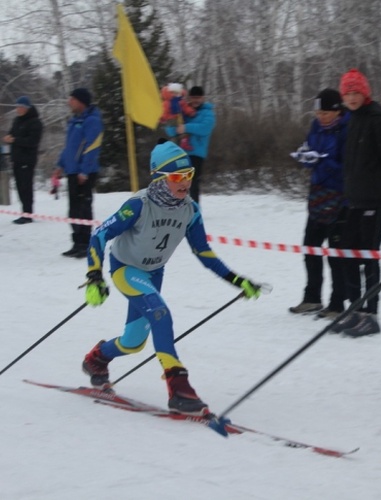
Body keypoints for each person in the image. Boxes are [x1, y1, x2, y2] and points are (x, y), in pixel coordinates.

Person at [80, 140, 263, 416]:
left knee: (133, 342)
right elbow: (100, 234)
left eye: (188, 174)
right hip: (126, 269)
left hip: (154, 273)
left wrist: (237, 280)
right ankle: (179, 389)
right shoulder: (138, 205)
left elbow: (203, 252)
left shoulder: (191, 210)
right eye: (177, 177)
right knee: (161, 314)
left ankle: (97, 359)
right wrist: (94, 275)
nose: (185, 182)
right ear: (159, 178)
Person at [332, 68, 381, 337]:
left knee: (368, 256)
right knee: (348, 255)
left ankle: (371, 315)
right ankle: (355, 309)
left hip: (374, 200)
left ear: (365, 93)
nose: (352, 97)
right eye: (347, 93)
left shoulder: (377, 119)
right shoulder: (352, 119)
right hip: (354, 199)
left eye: (356, 92)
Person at [288, 88, 350, 319]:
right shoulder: (316, 126)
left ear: (337, 111)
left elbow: (349, 166)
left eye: (325, 113)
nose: (320, 117)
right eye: (317, 113)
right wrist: (306, 157)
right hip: (318, 195)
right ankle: (312, 298)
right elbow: (310, 148)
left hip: (341, 197)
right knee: (310, 248)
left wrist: (324, 161)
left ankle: (337, 303)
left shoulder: (347, 128)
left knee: (336, 254)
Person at [56, 87, 103, 258]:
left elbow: (92, 147)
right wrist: (60, 164)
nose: (69, 102)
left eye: (72, 99)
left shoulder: (92, 121)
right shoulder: (74, 121)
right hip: (71, 171)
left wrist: (85, 171)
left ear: (81, 101)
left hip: (84, 173)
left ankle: (86, 243)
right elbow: (69, 147)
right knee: (74, 210)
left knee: (84, 208)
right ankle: (77, 242)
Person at [165, 85, 215, 203]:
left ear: (202, 98)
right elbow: (170, 130)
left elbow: (205, 128)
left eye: (198, 98)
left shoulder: (208, 113)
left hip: (196, 153)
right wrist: (173, 126)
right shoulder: (183, 111)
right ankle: (179, 207)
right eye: (193, 97)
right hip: (180, 153)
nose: (195, 100)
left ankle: (194, 208)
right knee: (177, 183)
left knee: (192, 183)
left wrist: (186, 127)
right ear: (189, 98)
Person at [3, 96, 43, 224]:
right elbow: (12, 134)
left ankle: (28, 213)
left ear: (26, 108)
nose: (18, 109)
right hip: (16, 159)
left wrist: (15, 140)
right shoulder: (17, 121)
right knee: (20, 187)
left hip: (27, 159)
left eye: (20, 107)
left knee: (26, 187)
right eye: (17, 107)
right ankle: (24, 212)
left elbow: (32, 141)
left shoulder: (35, 122)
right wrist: (8, 138)